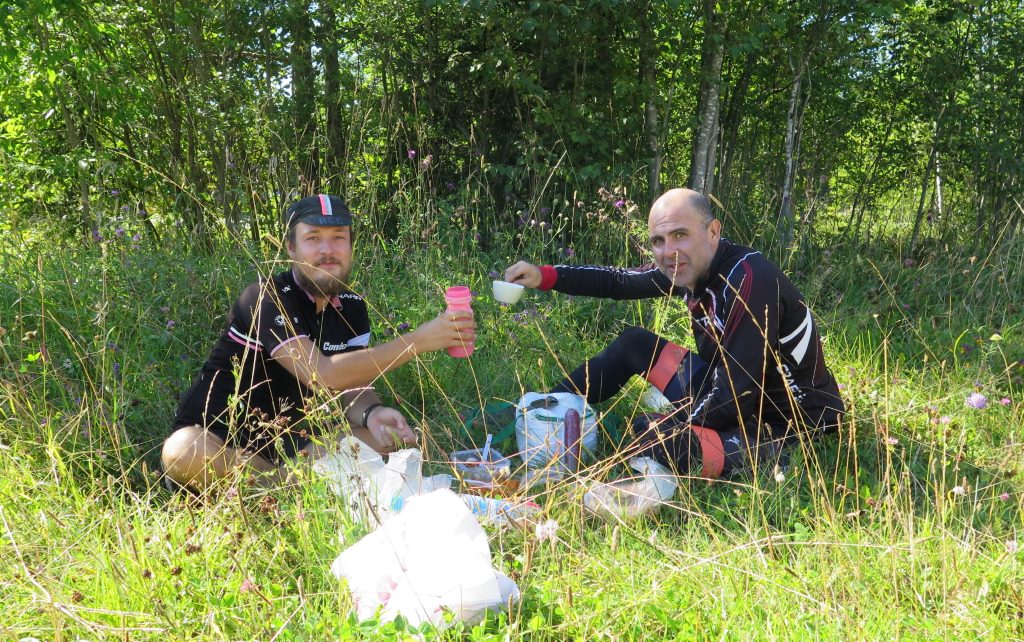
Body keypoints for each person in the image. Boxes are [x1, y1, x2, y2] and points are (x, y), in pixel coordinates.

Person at [504, 188, 843, 480]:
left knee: (655, 437)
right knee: (635, 345)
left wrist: (672, 422)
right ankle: (541, 413)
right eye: (659, 241)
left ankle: (763, 457)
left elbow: (734, 398)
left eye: (680, 235)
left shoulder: (748, 280)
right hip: (733, 393)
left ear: (712, 231)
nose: (668, 252)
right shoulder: (689, 267)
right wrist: (544, 276)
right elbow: (618, 280)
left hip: (790, 425)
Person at [162, 194, 476, 491]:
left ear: (351, 245)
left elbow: (351, 388)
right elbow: (322, 374)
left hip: (292, 444)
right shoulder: (264, 296)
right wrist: (417, 341)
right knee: (181, 448)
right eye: (313, 238)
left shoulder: (352, 306)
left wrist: (372, 413)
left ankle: (277, 486)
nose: (328, 249)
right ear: (291, 248)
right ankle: (288, 491)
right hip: (220, 445)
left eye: (338, 237)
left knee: (390, 440)